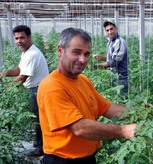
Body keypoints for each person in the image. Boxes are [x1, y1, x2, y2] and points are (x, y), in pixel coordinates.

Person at [37, 27, 136, 163]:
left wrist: (138, 111)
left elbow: (106, 108)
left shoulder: (83, 80)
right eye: (76, 52)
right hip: (63, 160)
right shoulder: (52, 86)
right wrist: (123, 131)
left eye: (87, 54)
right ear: (60, 50)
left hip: (87, 158)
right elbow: (79, 127)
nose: (82, 59)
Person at [0, 25, 49, 157]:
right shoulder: (26, 52)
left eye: (22, 37)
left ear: (29, 37)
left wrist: (5, 87)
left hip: (37, 90)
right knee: (35, 119)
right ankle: (39, 143)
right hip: (34, 89)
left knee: (39, 120)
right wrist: (4, 74)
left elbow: (22, 77)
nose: (19, 41)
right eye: (16, 38)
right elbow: (19, 69)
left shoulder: (32, 54)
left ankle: (41, 148)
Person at [93, 20, 129, 93]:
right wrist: (101, 57)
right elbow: (111, 58)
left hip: (121, 77)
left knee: (121, 101)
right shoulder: (110, 41)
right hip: (114, 76)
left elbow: (113, 63)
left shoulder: (119, 42)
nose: (109, 32)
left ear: (116, 28)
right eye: (107, 30)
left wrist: (97, 65)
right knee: (115, 100)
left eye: (111, 29)